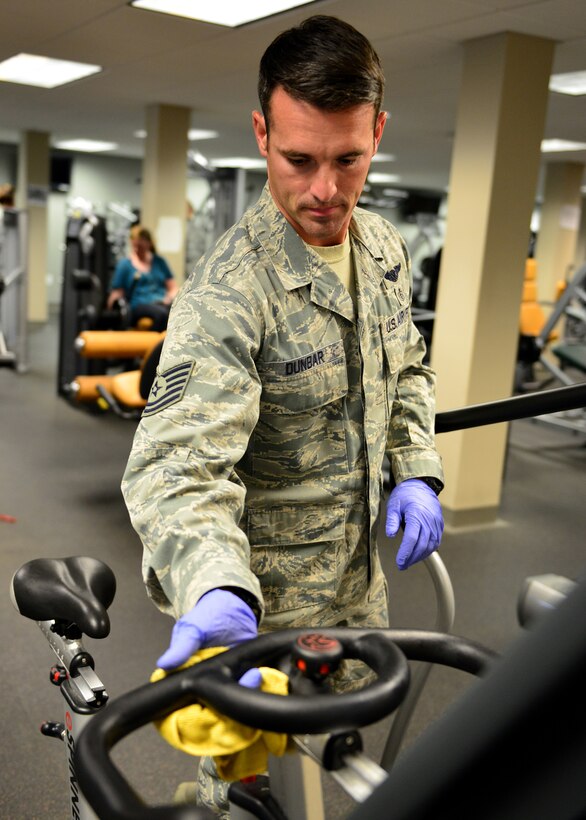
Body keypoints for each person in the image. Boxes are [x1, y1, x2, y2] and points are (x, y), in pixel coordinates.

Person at [122, 14, 444, 816]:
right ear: (262, 133)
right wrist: (211, 584)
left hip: (356, 596)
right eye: (299, 160)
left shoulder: (383, 250)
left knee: (336, 767)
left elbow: (408, 373)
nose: (326, 191)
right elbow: (175, 466)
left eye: (350, 159)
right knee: (249, 801)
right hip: (258, 617)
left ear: (379, 132)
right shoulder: (231, 292)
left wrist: (418, 470)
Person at [107, 224, 178, 331]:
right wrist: (113, 308)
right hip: (139, 305)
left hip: (162, 302)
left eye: (140, 247)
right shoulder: (125, 265)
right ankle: (156, 346)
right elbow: (117, 294)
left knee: (177, 313)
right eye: (135, 246)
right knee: (162, 315)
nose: (137, 250)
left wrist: (169, 298)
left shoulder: (159, 262)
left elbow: (173, 287)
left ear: (149, 244)